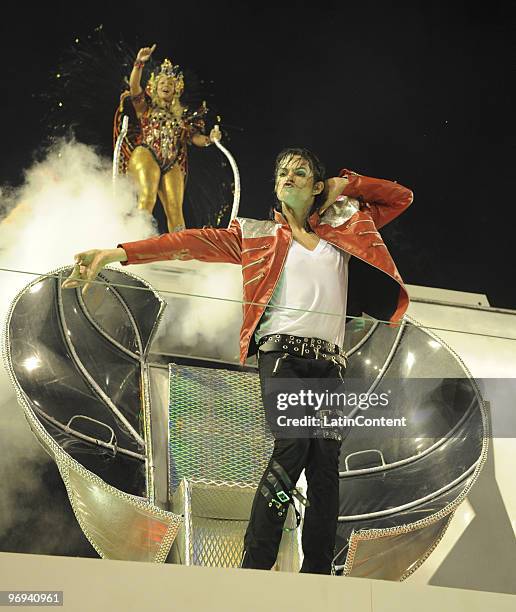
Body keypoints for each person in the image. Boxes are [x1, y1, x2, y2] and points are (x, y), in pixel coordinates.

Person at [62, 147, 413, 574]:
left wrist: (349, 185)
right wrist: (115, 253)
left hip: (330, 364)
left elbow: (400, 197)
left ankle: (318, 570)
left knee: (325, 465)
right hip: (284, 355)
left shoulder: (346, 225)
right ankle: (257, 565)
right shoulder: (257, 234)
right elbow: (186, 244)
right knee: (293, 447)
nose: (287, 176)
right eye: (282, 171)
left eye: (299, 172)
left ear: (318, 187)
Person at [115, 44, 221, 232]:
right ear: (155, 87)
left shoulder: (182, 117)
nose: (166, 86)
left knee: (175, 209)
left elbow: (195, 138)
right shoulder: (145, 108)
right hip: (146, 154)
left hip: (171, 162)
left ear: (176, 89)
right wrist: (139, 63)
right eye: (162, 82)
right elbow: (133, 86)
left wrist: (211, 139)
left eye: (170, 84)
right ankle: (137, 240)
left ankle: (180, 253)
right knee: (148, 197)